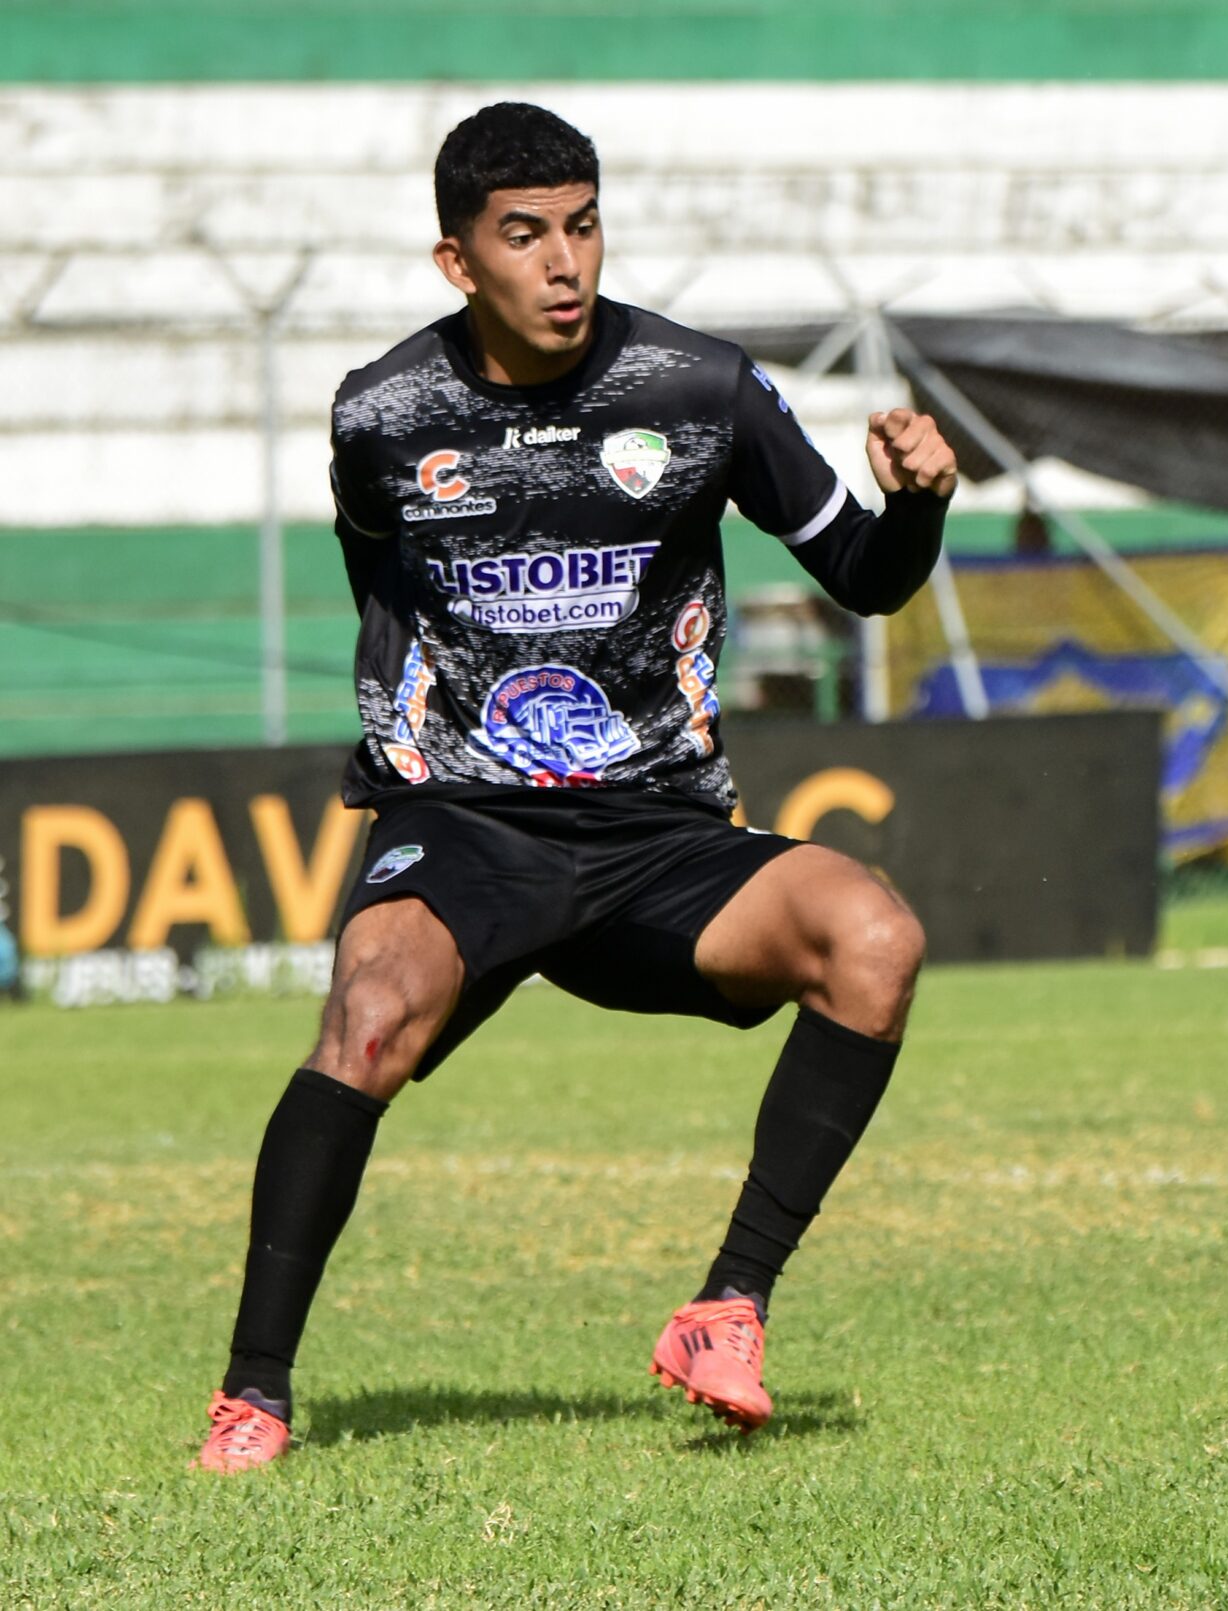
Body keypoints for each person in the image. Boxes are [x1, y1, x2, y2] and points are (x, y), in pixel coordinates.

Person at [194, 103, 960, 1471]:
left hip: (659, 830)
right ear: (457, 261)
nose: (565, 263)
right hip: (464, 821)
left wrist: (917, 506)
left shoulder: (701, 388)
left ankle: (726, 1308)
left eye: (583, 225)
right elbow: (381, 581)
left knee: (875, 937)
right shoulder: (382, 415)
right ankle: (254, 1395)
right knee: (367, 1017)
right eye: (524, 235)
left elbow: (864, 578)